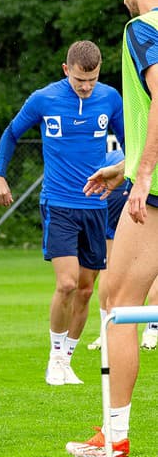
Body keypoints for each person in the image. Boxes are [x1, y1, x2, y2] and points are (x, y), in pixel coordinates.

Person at [0, 40, 124, 386]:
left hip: (97, 206)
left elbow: (131, 143)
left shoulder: (110, 99)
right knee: (66, 283)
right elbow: (11, 133)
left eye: (92, 79)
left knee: (84, 289)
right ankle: (53, 358)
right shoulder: (44, 99)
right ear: (67, 70)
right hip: (59, 203)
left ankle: (67, 360)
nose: (86, 86)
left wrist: (126, 174)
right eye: (80, 79)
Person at [66, 0, 158, 457]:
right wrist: (124, 169)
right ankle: (113, 430)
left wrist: (142, 175)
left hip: (156, 194)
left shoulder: (143, 28)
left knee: (119, 305)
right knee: (113, 300)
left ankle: (116, 437)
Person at [85, 150, 130, 351]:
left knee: (109, 263)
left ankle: (107, 330)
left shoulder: (110, 152)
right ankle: (152, 330)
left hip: (116, 180)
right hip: (136, 179)